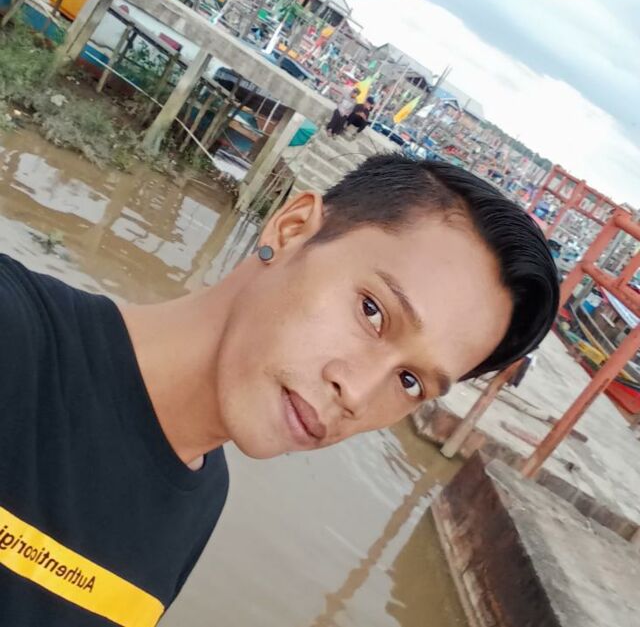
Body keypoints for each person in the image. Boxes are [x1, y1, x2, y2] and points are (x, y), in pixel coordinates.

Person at [0, 154, 559, 626]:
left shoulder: (200, 500)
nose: (357, 393)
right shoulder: (15, 339)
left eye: (409, 381)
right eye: (372, 311)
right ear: (291, 230)